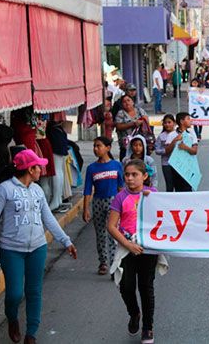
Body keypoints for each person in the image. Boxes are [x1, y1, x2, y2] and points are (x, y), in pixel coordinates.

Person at [0, 149, 77, 344]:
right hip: (11, 250)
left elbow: (48, 219)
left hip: (37, 247)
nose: (41, 170)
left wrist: (66, 241)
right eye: (38, 166)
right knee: (15, 294)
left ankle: (31, 333)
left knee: (34, 291)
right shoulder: (4, 189)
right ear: (29, 168)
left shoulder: (37, 190)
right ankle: (12, 319)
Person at [108, 160, 161, 344]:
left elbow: (167, 216)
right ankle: (134, 312)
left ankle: (148, 327)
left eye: (134, 175)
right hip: (126, 248)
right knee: (126, 286)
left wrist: (152, 199)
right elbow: (111, 226)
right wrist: (127, 245)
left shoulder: (153, 194)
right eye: (127, 175)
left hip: (148, 248)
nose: (130, 178)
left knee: (146, 287)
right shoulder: (120, 197)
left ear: (144, 176)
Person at [83, 137, 123, 275]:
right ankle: (103, 262)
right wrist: (86, 209)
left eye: (98, 146)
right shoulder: (91, 168)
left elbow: (121, 187)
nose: (95, 149)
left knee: (113, 233)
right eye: (94, 146)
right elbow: (88, 189)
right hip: (98, 202)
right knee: (100, 234)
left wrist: (124, 206)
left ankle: (114, 263)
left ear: (108, 148)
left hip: (113, 203)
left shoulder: (116, 166)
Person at [114, 94, 149, 162]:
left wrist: (142, 121)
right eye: (124, 102)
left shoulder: (140, 110)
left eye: (128, 100)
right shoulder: (120, 113)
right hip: (126, 145)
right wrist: (133, 124)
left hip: (140, 146)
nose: (127, 103)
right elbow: (118, 126)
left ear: (132, 102)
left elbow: (147, 121)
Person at [171, 112, 199, 192]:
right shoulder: (173, 134)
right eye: (188, 119)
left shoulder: (191, 133)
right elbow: (167, 151)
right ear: (182, 121)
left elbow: (194, 151)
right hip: (176, 167)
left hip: (188, 166)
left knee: (188, 189)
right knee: (178, 189)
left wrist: (185, 147)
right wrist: (175, 141)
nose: (190, 121)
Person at [154, 114, 177, 192]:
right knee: (169, 185)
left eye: (169, 122)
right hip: (166, 163)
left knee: (178, 184)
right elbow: (157, 150)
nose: (167, 124)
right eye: (165, 123)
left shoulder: (178, 134)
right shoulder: (161, 136)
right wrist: (165, 151)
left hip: (178, 164)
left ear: (174, 123)